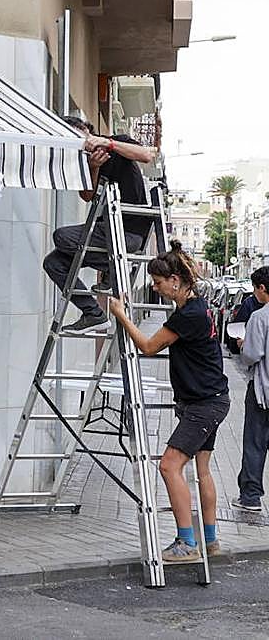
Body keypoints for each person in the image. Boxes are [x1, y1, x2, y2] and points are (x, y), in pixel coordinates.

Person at [110, 241, 230, 562]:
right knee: (202, 469)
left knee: (169, 465)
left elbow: (149, 347)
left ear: (175, 280)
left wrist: (121, 315)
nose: (154, 286)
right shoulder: (198, 306)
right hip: (212, 399)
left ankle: (186, 543)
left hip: (204, 404)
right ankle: (210, 538)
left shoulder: (188, 315)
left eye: (158, 281)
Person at [43, 117, 157, 332]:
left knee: (62, 237)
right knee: (53, 262)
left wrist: (108, 144)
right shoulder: (83, 162)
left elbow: (146, 155)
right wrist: (93, 167)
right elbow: (87, 195)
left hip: (129, 233)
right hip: (106, 233)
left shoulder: (117, 142)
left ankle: (114, 269)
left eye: (82, 137)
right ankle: (93, 314)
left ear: (89, 132)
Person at [232, 266, 269, 511]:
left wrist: (243, 344)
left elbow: (252, 355)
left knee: (255, 443)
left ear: (262, 288)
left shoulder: (260, 317)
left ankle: (250, 496)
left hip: (262, 392)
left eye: (255, 290)